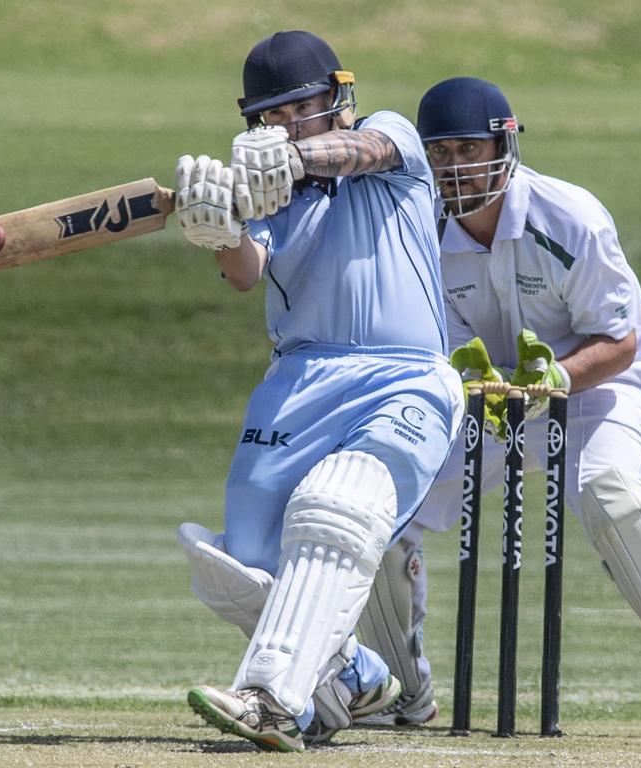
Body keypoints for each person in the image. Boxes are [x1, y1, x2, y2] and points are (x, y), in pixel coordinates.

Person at [172, 30, 463, 751]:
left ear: (338, 98)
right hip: (297, 381)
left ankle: (270, 697)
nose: (288, 124)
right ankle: (353, 676)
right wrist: (218, 224)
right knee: (234, 565)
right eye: (272, 116)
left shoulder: (388, 136)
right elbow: (244, 273)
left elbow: (362, 154)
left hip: (404, 376)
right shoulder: (270, 195)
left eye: (303, 108)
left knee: (333, 511)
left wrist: (295, 156)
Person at [355, 76, 641, 726]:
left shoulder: (569, 217)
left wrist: (552, 383)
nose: (453, 167)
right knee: (383, 512)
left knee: (611, 496)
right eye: (438, 154)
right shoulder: (422, 232)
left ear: (504, 142)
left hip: (598, 385)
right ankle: (400, 694)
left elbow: (622, 342)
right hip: (492, 397)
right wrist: (484, 388)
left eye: (467, 149)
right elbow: (441, 348)